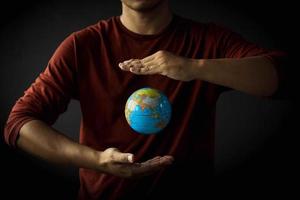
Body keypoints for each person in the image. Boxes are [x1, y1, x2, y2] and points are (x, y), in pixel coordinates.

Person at [4, 0, 286, 199]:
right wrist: (97, 160)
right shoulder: (82, 46)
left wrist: (193, 67)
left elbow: (283, 75)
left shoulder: (207, 41)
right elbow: (19, 124)